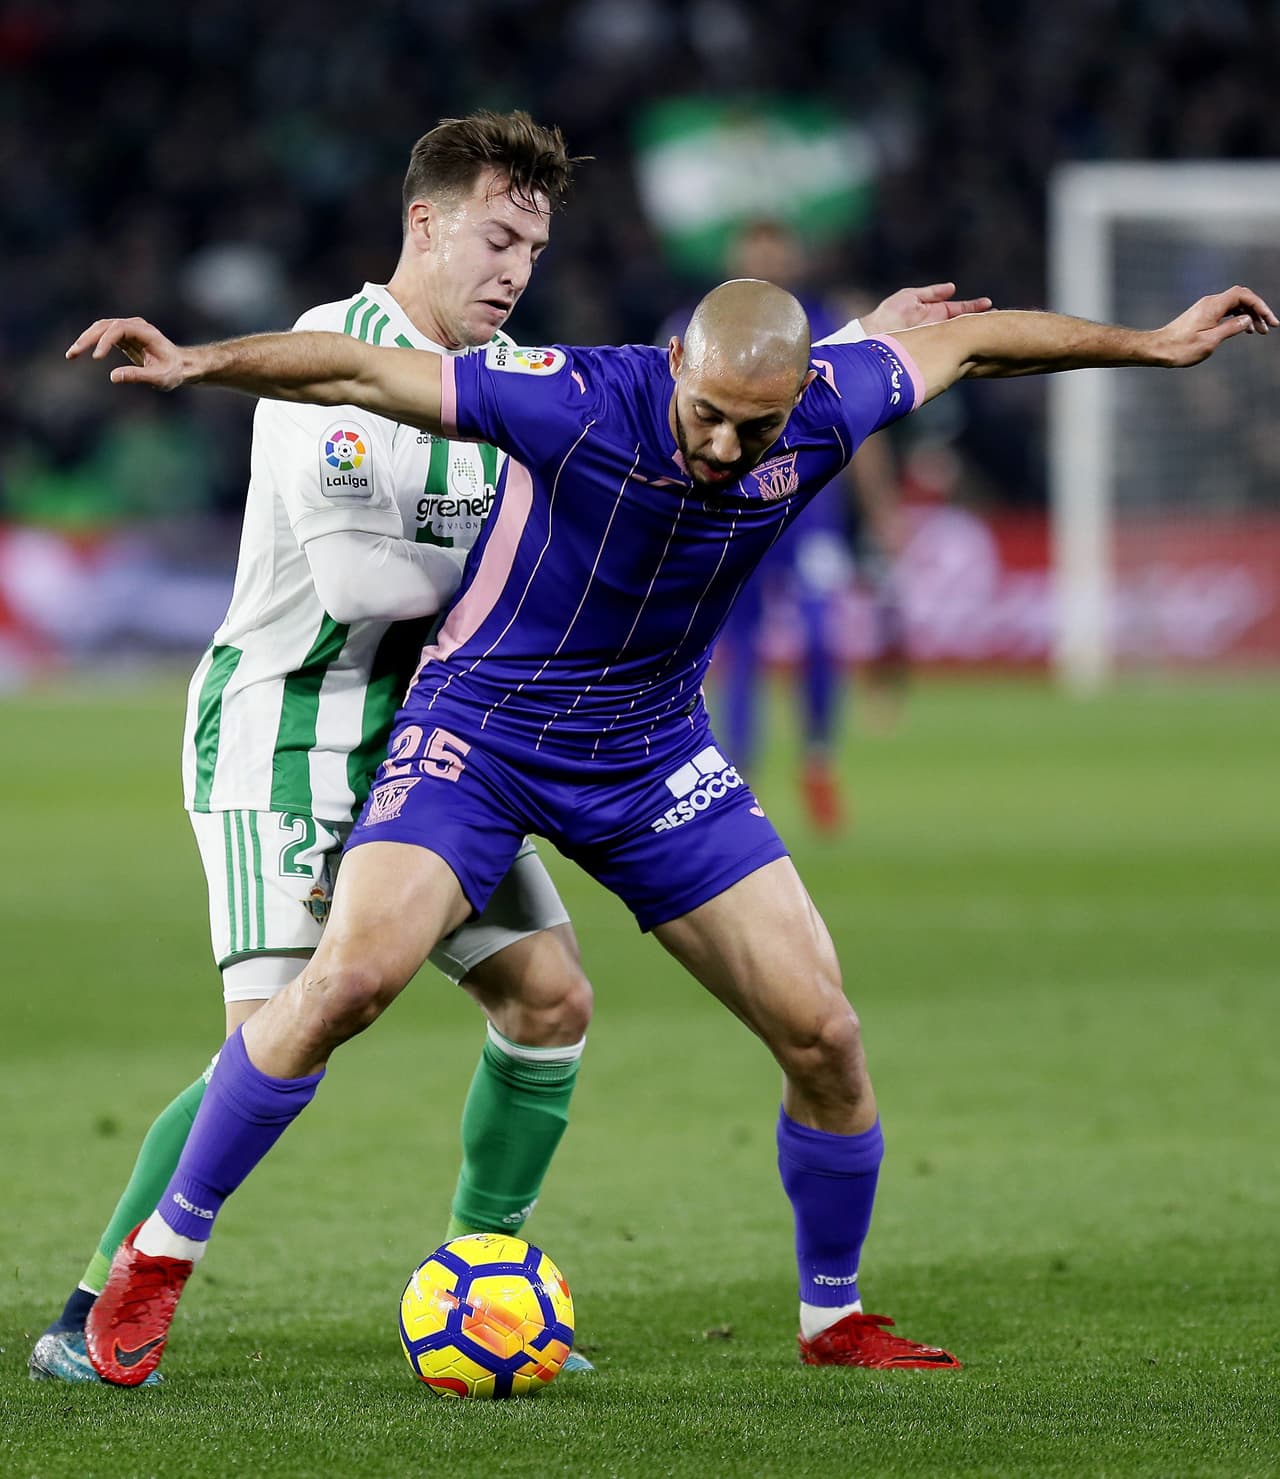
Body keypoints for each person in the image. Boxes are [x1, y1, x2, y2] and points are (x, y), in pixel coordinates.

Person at [70, 268, 1273, 1385]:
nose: (720, 444)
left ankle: (832, 1316)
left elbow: (971, 343)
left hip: (649, 754)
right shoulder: (581, 398)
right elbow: (356, 372)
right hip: (478, 737)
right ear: (673, 364)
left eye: (752, 427)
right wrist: (199, 363)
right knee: (346, 982)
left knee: (824, 1035)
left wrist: (1153, 346)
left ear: (799, 396)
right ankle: (154, 1267)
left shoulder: (828, 404)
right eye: (704, 412)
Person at [30, 110, 599, 1385]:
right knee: (286, 1030)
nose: (516, 270)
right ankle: (94, 1306)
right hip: (287, 726)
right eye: (498, 238)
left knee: (549, 998)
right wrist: (520, 581)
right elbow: (353, 578)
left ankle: (485, 1283)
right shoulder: (327, 357)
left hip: (431, 741)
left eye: (535, 248)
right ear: (424, 223)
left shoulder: (502, 378)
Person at [660, 220, 945, 830]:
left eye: (776, 248)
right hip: (730, 507)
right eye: (754, 249)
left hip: (809, 514)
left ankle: (818, 761)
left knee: (820, 634)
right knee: (739, 647)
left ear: (794, 255)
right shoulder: (696, 326)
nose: (766, 259)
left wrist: (882, 508)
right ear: (735, 256)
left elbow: (860, 428)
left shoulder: (828, 322)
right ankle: (739, 780)